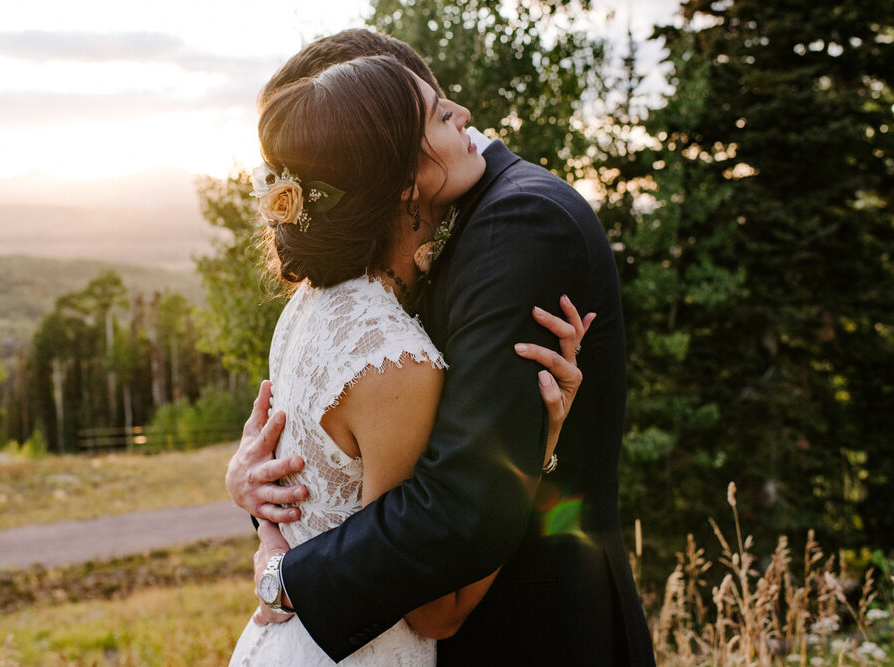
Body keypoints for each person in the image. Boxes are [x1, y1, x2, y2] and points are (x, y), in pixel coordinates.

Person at [228, 29, 655, 665]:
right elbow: (333, 455)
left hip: (533, 635)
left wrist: (287, 575)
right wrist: (256, 491)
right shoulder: (362, 293)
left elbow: (458, 498)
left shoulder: (518, 223)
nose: (463, 113)